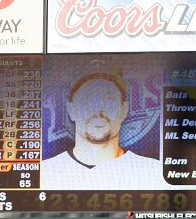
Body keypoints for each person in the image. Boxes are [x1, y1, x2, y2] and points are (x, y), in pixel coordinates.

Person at [41, 61, 164, 190]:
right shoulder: (46, 173)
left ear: (124, 110)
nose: (98, 110)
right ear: (71, 110)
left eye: (109, 99)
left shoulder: (153, 173)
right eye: (88, 99)